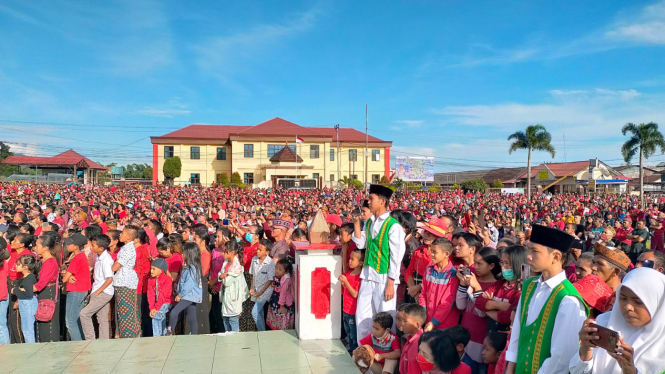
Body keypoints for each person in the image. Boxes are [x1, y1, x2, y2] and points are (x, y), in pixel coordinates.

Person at [505, 224, 588, 374]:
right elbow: (518, 331)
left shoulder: (568, 299)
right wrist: (510, 368)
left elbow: (561, 358)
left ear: (556, 257)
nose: (528, 256)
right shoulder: (529, 286)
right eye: (529, 249)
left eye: (534, 251)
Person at [570, 267, 665, 374]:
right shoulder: (605, 323)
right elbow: (578, 371)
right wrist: (586, 348)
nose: (628, 307)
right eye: (623, 298)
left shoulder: (661, 343)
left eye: (638, 301)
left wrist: (630, 371)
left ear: (658, 304)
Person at [352, 184, 406, 344]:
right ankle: (364, 354)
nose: (368, 201)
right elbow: (362, 244)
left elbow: (396, 256)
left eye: (371, 198)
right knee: (363, 316)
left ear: (382, 201)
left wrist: (391, 282)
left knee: (384, 318)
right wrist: (356, 224)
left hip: (384, 277)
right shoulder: (369, 223)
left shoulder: (393, 226)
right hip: (368, 275)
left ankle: (386, 354)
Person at [456, 246, 502, 373]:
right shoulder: (473, 280)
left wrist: (476, 288)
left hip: (481, 340)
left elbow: (481, 313)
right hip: (465, 336)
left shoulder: (496, 287)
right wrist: (462, 284)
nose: (475, 267)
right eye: (475, 262)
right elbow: (460, 306)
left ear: (492, 265)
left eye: (480, 264)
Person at [476, 245, 526, 331]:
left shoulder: (521, 290)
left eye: (507, 263)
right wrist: (499, 305)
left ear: (518, 264)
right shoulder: (499, 284)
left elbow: (508, 317)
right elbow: (478, 302)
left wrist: (487, 307)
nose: (503, 267)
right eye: (502, 263)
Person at [419, 237, 460, 331]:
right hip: (427, 320)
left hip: (445, 325)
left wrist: (434, 322)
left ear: (446, 254)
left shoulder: (453, 275)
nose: (431, 254)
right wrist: (423, 314)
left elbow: (447, 302)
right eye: (431, 251)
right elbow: (423, 294)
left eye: (435, 252)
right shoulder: (429, 270)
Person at [80, 235, 114, 340]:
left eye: (93, 245)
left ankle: (90, 339)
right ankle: (104, 341)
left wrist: (98, 292)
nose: (91, 247)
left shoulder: (106, 260)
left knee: (84, 314)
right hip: (100, 290)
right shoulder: (99, 257)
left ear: (101, 248)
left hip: (103, 292)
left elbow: (110, 278)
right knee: (102, 319)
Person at [406, 218, 447, 304]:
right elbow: (409, 273)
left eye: (431, 233)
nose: (426, 235)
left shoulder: (444, 256)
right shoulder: (418, 251)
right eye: (425, 232)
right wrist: (415, 293)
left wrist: (419, 288)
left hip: (431, 297)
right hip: (414, 294)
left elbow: (439, 278)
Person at [167, 242, 203, 335]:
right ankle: (193, 334)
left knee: (174, 312)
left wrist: (180, 295)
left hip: (188, 296)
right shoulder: (191, 267)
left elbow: (189, 285)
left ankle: (170, 331)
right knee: (192, 318)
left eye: (183, 253)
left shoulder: (192, 268)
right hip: (190, 296)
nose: (182, 255)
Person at [62, 233, 91, 341]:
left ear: (76, 246)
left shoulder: (77, 258)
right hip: (81, 290)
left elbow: (65, 278)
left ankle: (77, 343)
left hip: (75, 291)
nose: (67, 245)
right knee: (76, 319)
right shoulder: (81, 256)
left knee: (70, 321)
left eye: (69, 244)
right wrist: (67, 276)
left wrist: (66, 276)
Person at [113, 225, 140, 339]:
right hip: (121, 280)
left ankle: (129, 335)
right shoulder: (125, 248)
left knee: (126, 312)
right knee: (122, 311)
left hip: (125, 281)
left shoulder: (128, 249)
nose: (120, 235)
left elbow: (115, 267)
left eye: (123, 233)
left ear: (128, 237)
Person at [32, 234, 60, 342]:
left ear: (45, 248)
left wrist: (25, 290)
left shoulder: (50, 262)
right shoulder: (44, 260)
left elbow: (41, 284)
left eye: (38, 245)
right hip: (43, 293)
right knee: (42, 321)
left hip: (48, 293)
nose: (35, 247)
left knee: (48, 323)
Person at [218, 239, 248, 332]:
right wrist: (221, 276)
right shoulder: (226, 262)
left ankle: (235, 339)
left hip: (233, 296)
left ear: (232, 252)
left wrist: (222, 276)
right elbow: (221, 274)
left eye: (225, 252)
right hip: (225, 296)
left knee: (233, 319)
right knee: (225, 319)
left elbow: (227, 282)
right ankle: (228, 336)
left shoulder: (236, 267)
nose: (223, 254)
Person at [12, 254, 40, 343]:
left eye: (18, 264)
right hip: (24, 303)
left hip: (27, 304)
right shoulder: (24, 278)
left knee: (28, 330)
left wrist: (15, 290)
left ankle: (31, 349)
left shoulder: (29, 278)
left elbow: (28, 294)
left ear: (25, 267)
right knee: (26, 329)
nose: (16, 266)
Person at [340, 248, 363, 352]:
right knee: (348, 330)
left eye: (352, 259)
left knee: (353, 333)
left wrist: (346, 283)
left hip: (352, 310)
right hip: (345, 308)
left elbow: (355, 294)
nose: (349, 261)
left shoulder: (360, 277)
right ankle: (350, 346)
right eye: (350, 258)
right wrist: (344, 283)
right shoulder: (349, 273)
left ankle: (354, 350)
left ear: (360, 263)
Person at [249, 239, 275, 331]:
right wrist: (252, 287)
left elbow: (270, 279)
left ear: (267, 252)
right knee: (259, 312)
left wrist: (261, 292)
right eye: (257, 249)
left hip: (265, 291)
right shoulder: (254, 259)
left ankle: (261, 332)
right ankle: (263, 330)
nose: (257, 251)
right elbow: (252, 275)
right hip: (256, 289)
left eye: (260, 250)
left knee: (255, 312)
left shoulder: (270, 262)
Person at [266, 257, 295, 330]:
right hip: (276, 299)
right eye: (276, 268)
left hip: (282, 302)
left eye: (280, 270)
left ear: (286, 271)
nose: (277, 271)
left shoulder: (286, 279)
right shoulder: (279, 276)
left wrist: (281, 306)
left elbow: (283, 293)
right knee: (275, 316)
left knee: (282, 317)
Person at [398, 303, 427, 374]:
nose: (402, 323)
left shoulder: (417, 345)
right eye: (402, 320)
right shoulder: (410, 339)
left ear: (417, 324)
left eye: (405, 321)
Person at [148, 258, 172, 337]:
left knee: (156, 316)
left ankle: (157, 337)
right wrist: (152, 308)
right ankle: (163, 336)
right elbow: (150, 295)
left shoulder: (167, 280)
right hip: (156, 304)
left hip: (166, 302)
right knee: (161, 318)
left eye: (154, 269)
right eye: (151, 268)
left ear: (161, 270)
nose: (151, 271)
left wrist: (156, 308)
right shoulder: (150, 280)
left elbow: (163, 295)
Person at [0, 238, 11, 344]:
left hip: (1, 295)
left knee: (1, 325)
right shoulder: (4, 262)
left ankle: (5, 348)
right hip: (3, 295)